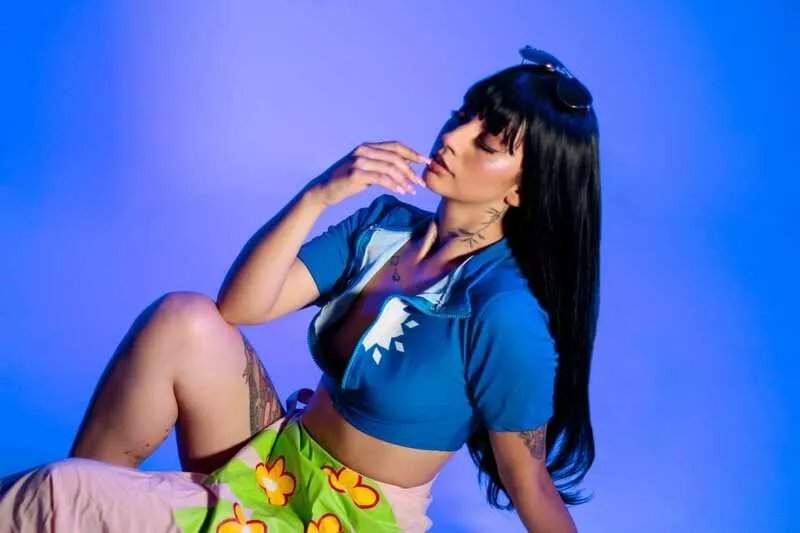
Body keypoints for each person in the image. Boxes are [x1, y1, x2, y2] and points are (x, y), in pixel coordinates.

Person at [0, 46, 599, 532]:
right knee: (184, 319)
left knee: (56, 491)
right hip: (275, 464)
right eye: (463, 113)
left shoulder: (503, 310)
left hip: (342, 522)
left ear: (522, 191)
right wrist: (319, 194)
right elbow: (241, 306)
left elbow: (529, 482)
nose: (453, 136)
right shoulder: (384, 227)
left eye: (486, 144)